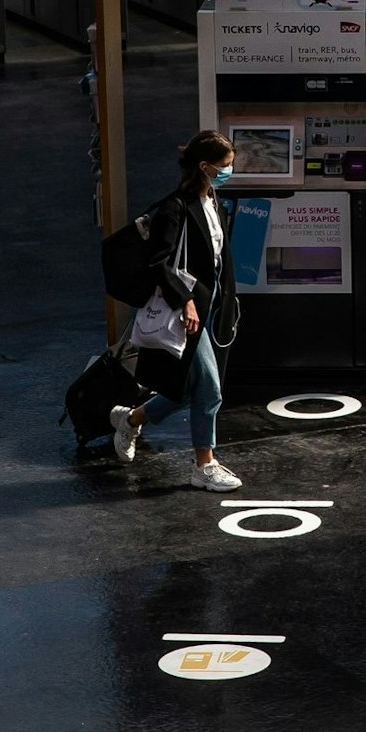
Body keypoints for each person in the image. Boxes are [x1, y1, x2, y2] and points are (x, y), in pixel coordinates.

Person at [108, 130, 243, 492]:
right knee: (210, 389)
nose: (229, 172)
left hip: (209, 305)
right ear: (205, 166)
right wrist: (185, 300)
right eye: (225, 166)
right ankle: (204, 466)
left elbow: (217, 257)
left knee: (185, 389)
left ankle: (131, 420)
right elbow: (158, 262)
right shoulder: (175, 207)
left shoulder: (212, 199)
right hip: (187, 310)